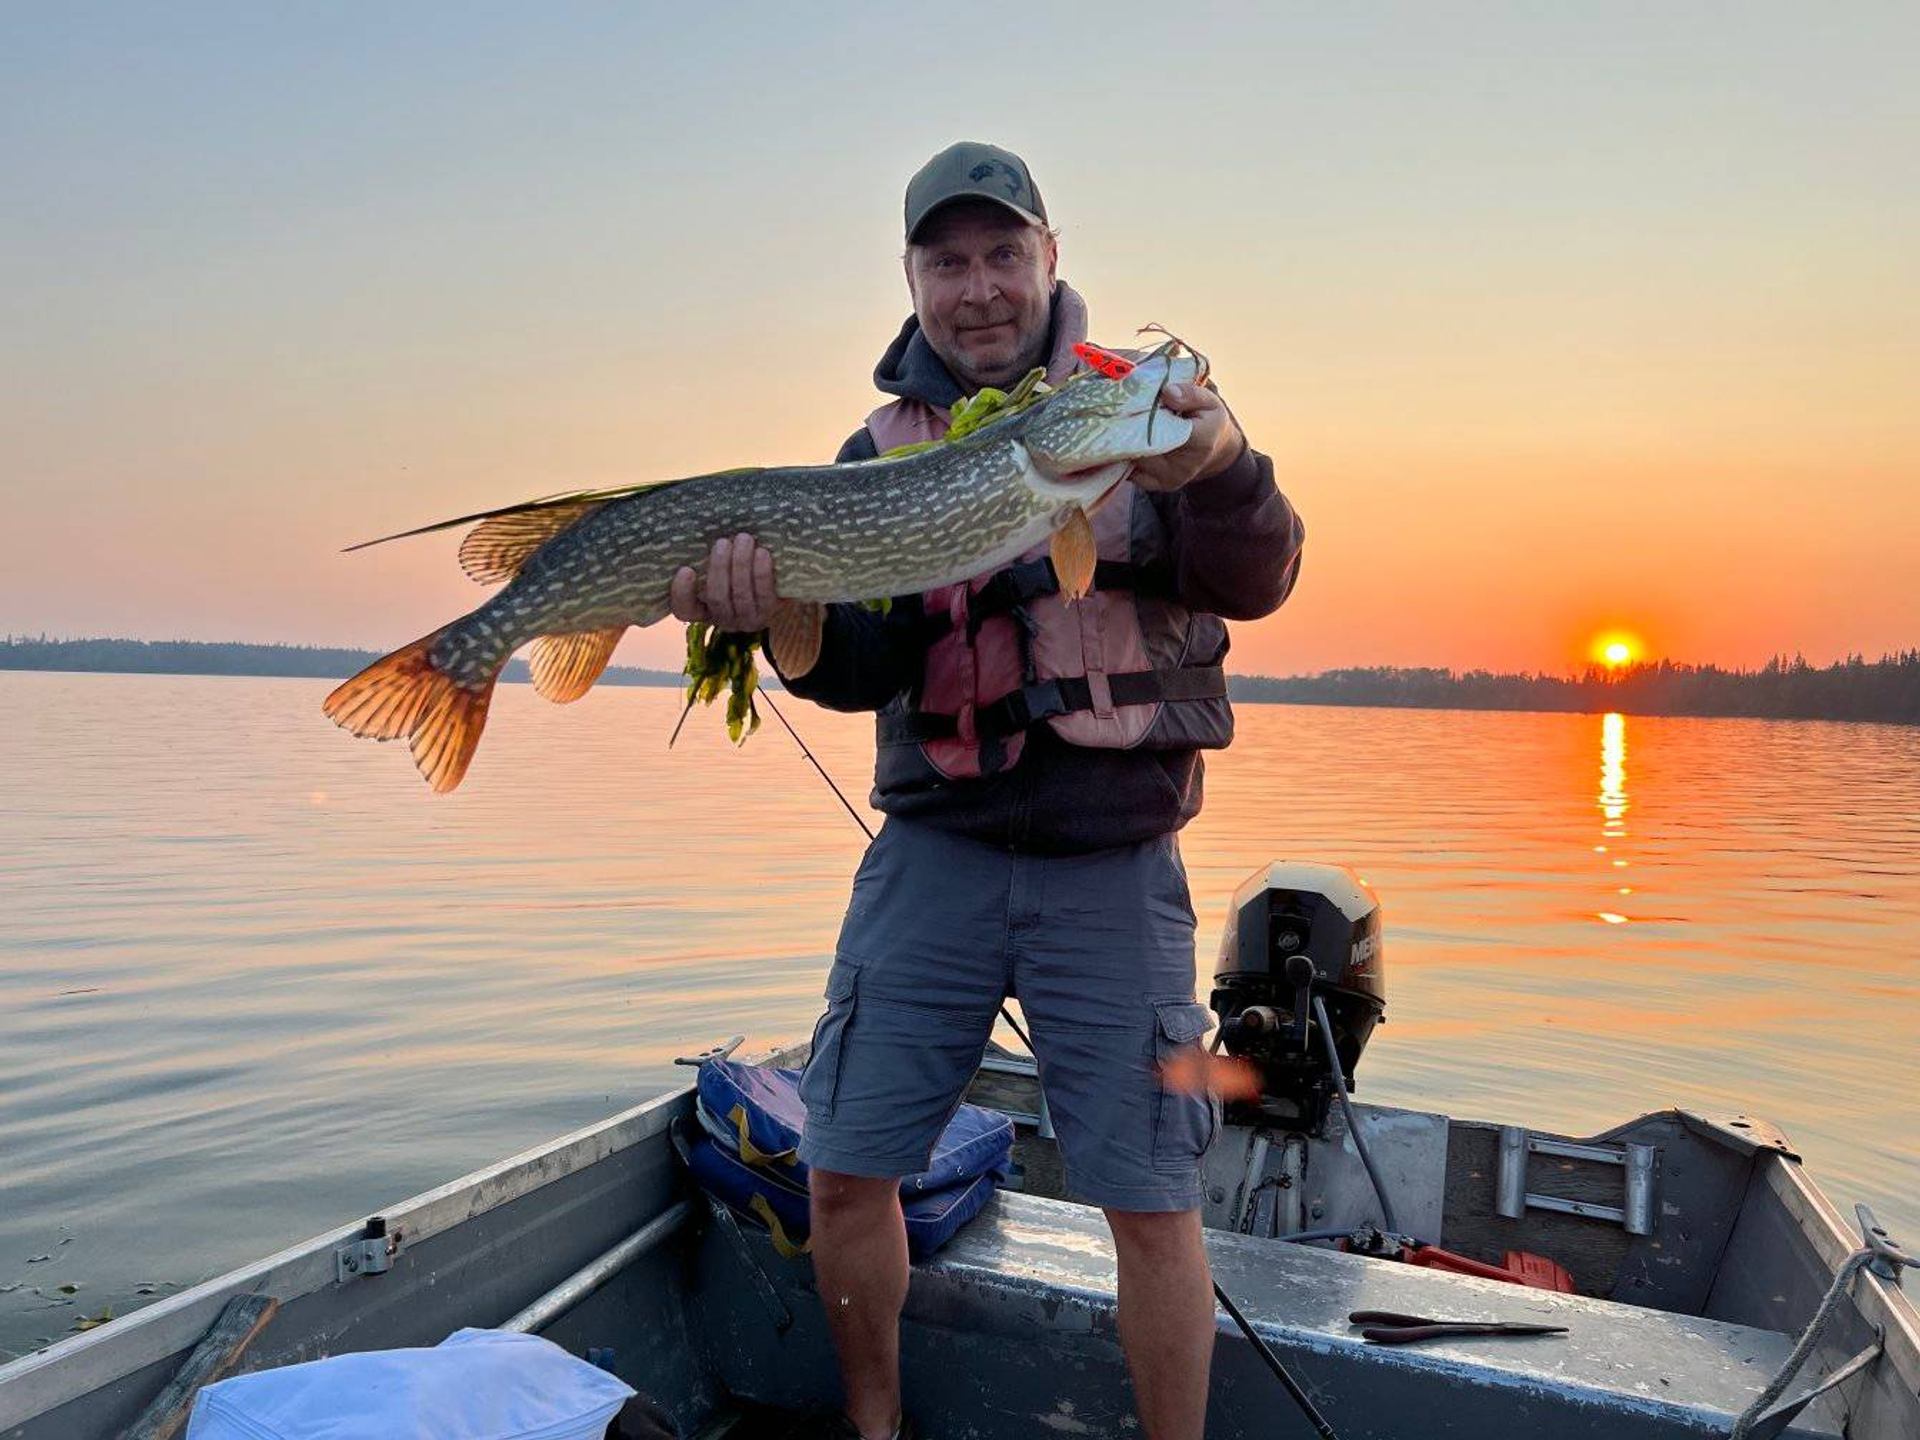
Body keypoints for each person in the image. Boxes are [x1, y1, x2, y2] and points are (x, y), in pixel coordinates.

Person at [669, 142, 1305, 1440]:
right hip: (935, 859)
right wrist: (775, 615)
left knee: (1152, 1203)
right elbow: (861, 668)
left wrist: (1225, 458)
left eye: (1002, 254)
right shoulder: (872, 454)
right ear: (910, 280)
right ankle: (876, 1428)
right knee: (847, 1170)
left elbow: (1261, 573)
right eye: (946, 262)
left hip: (1113, 868)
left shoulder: (1131, 411)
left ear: (1050, 257)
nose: (978, 289)